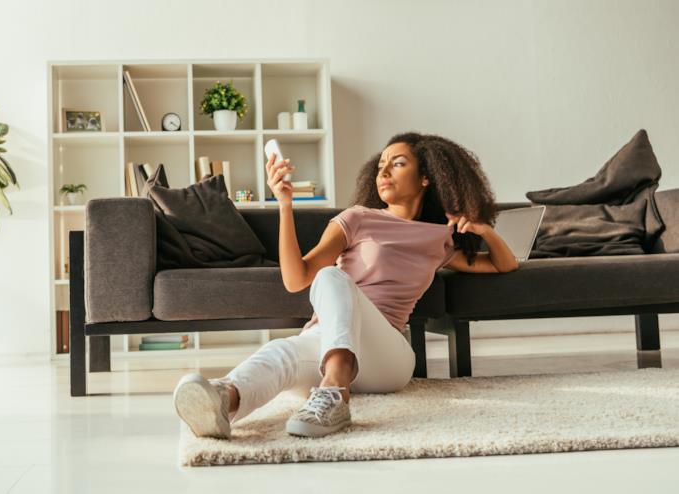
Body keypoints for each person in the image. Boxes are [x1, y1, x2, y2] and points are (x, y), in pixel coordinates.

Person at [172, 131, 520, 439]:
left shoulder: (438, 238)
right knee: (282, 351)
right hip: (329, 341)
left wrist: (484, 231)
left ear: (426, 177)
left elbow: (503, 264)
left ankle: (336, 389)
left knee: (331, 277)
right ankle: (224, 400)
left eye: (397, 163)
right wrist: (285, 205)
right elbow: (296, 279)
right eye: (381, 165)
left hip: (386, 358)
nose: (384, 172)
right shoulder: (356, 218)